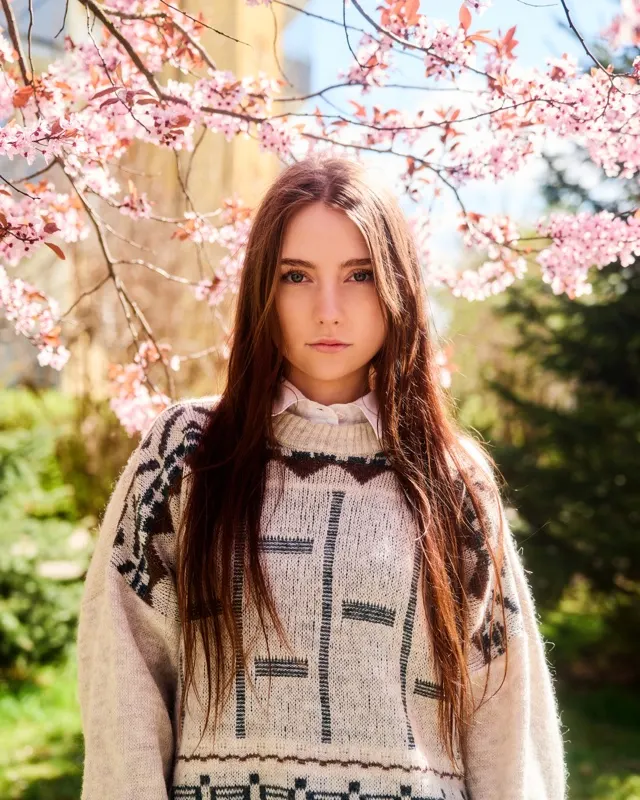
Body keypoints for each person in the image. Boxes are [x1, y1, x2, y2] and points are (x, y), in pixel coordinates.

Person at [76, 155, 568, 800]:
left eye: (359, 274)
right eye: (297, 276)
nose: (328, 309)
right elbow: (123, 681)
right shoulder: (187, 454)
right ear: (262, 289)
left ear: (397, 286)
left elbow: (505, 715)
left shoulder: (452, 481)